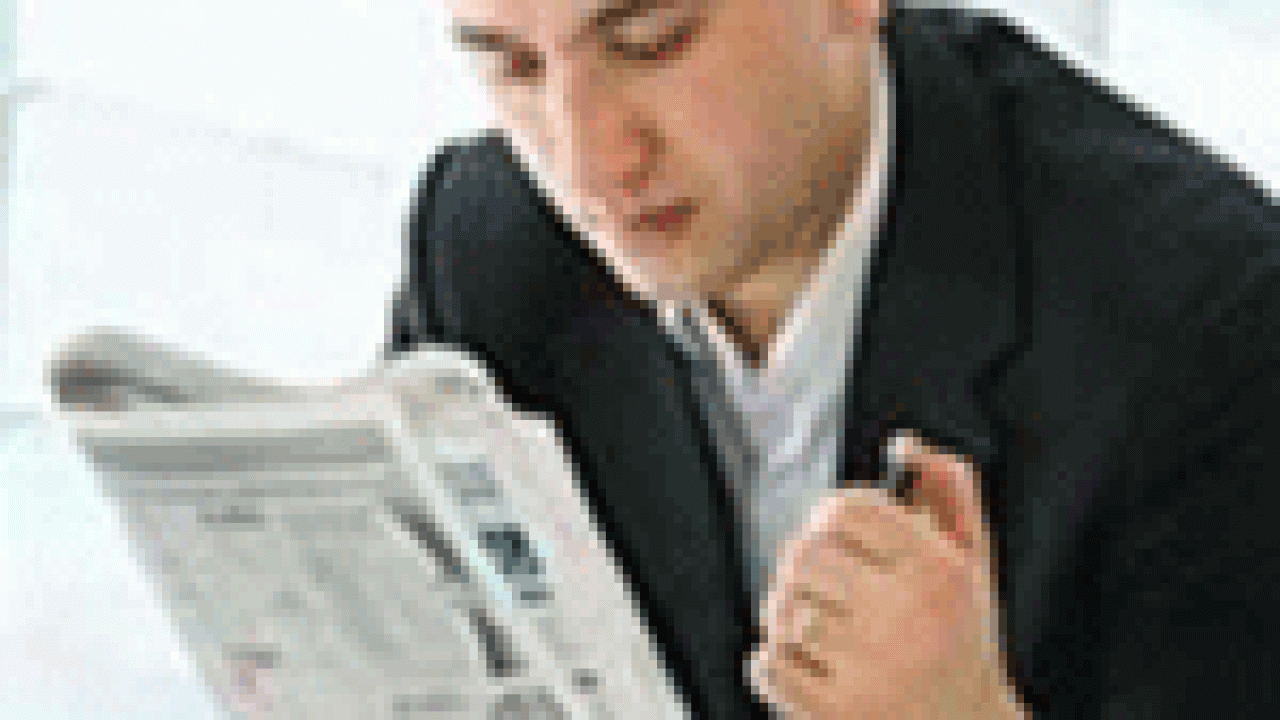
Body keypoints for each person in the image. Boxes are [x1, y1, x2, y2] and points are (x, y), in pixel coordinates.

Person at [383, 0, 1280, 718]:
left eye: (653, 42)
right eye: (514, 65)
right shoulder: (490, 247)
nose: (589, 164)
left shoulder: (1206, 322)